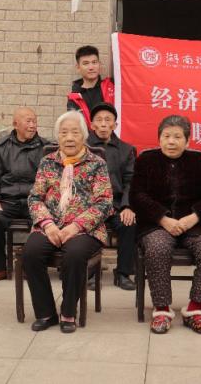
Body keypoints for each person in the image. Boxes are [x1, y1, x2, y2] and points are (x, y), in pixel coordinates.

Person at [130, 115, 201, 335]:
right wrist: (163, 218)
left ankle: (195, 309)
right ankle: (161, 309)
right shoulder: (146, 160)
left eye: (177, 137)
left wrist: (193, 217)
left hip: (194, 225)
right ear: (159, 139)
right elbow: (137, 195)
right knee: (157, 248)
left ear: (187, 141)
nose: (171, 141)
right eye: (166, 136)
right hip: (156, 225)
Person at [23, 111, 113, 333]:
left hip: (85, 229)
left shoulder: (96, 164)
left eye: (75, 132)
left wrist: (76, 226)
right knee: (31, 252)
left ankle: (68, 311)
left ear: (84, 136)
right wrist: (47, 224)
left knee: (74, 254)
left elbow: (104, 202)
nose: (69, 138)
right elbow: (35, 198)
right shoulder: (48, 162)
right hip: (51, 225)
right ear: (58, 137)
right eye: (64, 133)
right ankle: (46, 312)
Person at [0, 107, 49, 283]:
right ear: (15, 124)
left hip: (36, 200)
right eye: (28, 121)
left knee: (46, 220)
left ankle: (32, 266)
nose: (32, 125)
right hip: (8, 200)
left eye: (34, 121)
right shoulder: (1, 148)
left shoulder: (46, 148)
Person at [86, 102, 137, 290]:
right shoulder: (83, 147)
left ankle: (123, 273)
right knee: (88, 224)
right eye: (99, 120)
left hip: (116, 204)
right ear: (92, 125)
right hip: (89, 204)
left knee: (129, 223)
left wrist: (127, 206)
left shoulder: (126, 149)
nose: (103, 124)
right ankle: (91, 272)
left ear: (115, 125)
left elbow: (130, 181)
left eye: (108, 120)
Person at [66, 45, 115, 122]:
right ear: (78, 67)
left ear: (99, 64)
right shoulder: (74, 99)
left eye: (94, 62)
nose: (91, 67)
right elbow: (77, 126)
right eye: (86, 63)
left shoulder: (112, 85)